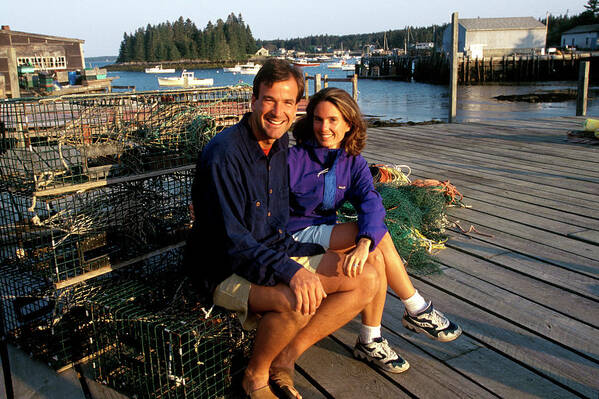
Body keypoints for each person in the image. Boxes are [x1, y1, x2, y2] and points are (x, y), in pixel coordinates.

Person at [186, 60, 386, 399]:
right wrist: (292, 272)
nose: (278, 111)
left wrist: (294, 262)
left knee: (367, 279)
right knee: (298, 300)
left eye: (288, 102)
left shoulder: (278, 144)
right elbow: (234, 241)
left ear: (298, 108)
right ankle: (256, 376)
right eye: (269, 100)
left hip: (272, 251)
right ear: (253, 100)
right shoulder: (225, 155)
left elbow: (276, 224)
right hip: (222, 270)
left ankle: (284, 359)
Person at [288, 87, 462, 373]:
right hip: (294, 234)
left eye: (333, 120)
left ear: (349, 124)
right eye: (318, 119)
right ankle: (416, 307)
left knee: (374, 252)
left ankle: (370, 338)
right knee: (371, 234)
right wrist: (366, 236)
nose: (324, 127)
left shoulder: (352, 161)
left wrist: (364, 242)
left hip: (323, 230)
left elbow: (371, 201)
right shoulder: (295, 159)